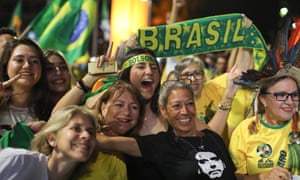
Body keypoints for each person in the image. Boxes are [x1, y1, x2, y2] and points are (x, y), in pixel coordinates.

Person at [97, 80, 239, 180]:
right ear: (164, 111)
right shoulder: (159, 144)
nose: (185, 111)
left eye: (189, 104)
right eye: (176, 106)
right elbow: (106, 142)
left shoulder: (212, 137)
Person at [229, 65, 300, 179]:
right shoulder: (245, 129)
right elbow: (236, 177)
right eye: (281, 95)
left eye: (294, 95)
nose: (290, 102)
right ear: (263, 99)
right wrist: (261, 177)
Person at [0, 105, 98, 180]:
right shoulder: (18, 161)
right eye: (76, 128)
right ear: (52, 139)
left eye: (91, 132)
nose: (86, 135)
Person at [0, 37, 48, 136]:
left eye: (34, 61)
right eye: (19, 60)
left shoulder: (52, 108)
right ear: (6, 66)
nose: (27, 66)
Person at [41, 49, 72, 120]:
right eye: (50, 69)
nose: (59, 72)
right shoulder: (33, 110)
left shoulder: (82, 102)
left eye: (63, 67)